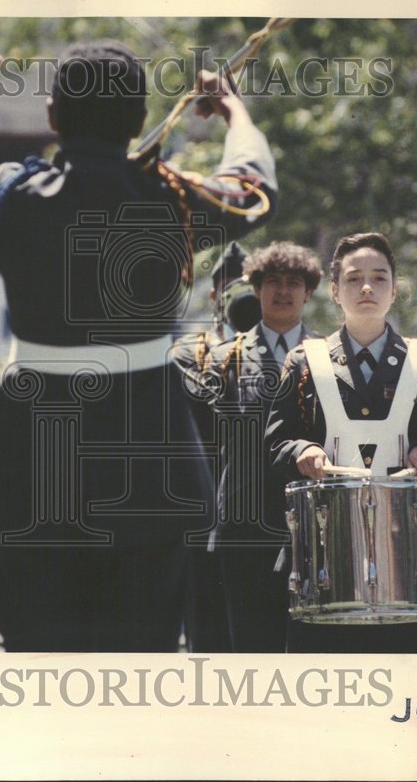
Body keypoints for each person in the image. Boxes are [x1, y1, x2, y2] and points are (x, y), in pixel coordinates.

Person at [0, 20, 277, 651]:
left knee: (42, 661)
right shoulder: (173, 198)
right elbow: (253, 188)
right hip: (152, 457)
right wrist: (236, 108)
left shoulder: (12, 194)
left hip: (35, 461)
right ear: (138, 121)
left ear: (51, 115)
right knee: (140, 664)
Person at [265, 232, 417, 652]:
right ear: (335, 292)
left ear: (394, 291)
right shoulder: (305, 361)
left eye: (379, 278)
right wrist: (301, 451)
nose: (366, 287)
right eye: (354, 278)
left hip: (411, 563)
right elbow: (276, 441)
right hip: (326, 560)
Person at [207, 241, 322, 652]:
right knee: (250, 655)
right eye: (273, 281)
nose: (284, 290)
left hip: (311, 529)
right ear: (256, 289)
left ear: (308, 291)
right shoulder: (222, 360)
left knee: (309, 653)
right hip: (244, 529)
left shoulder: (329, 358)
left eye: (295, 282)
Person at [171, 241, 258, 653]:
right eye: (232, 287)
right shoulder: (190, 353)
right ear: (214, 295)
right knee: (208, 638)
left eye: (251, 286)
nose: (242, 295)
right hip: (207, 516)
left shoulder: (299, 350)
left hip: (271, 516)